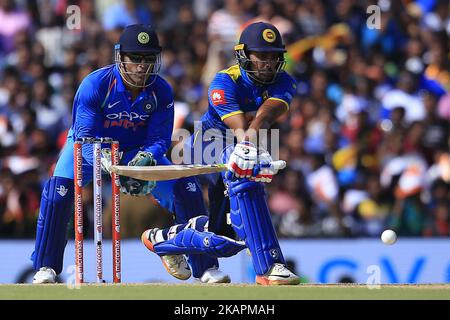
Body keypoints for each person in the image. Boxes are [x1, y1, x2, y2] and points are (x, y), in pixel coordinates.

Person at [31, 24, 209, 284]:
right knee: (57, 193)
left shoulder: (161, 91)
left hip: (137, 150)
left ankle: (202, 265)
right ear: (120, 57)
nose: (141, 66)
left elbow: (159, 138)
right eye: (135, 59)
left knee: (188, 188)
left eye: (148, 60)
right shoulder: (96, 84)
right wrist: (112, 167)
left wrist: (146, 157)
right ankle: (46, 266)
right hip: (89, 148)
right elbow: (84, 135)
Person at [142, 22, 300, 285]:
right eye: (262, 56)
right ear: (244, 54)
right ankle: (270, 267)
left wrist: (247, 146)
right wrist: (245, 147)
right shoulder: (224, 81)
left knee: (226, 237)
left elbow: (265, 116)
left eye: (274, 56)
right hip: (206, 144)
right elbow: (237, 125)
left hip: (244, 144)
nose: (269, 63)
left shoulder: (285, 81)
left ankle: (166, 240)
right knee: (246, 176)